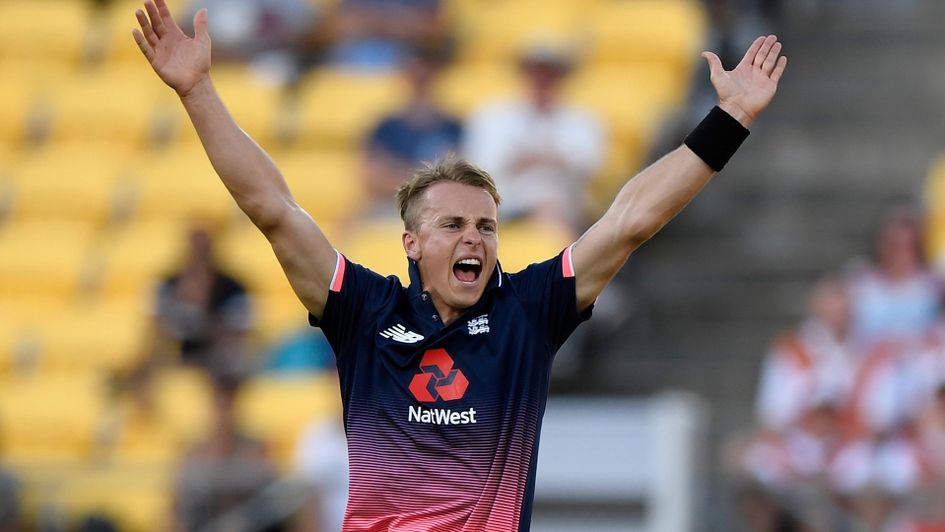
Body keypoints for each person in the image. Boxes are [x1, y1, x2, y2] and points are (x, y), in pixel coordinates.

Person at [131, 1, 786, 528]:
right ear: (411, 243)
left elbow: (629, 220)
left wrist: (729, 117)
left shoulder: (527, 311)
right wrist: (198, 91)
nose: (474, 239)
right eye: (452, 225)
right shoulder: (365, 311)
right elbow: (272, 208)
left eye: (486, 226)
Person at [463, 42, 605, 237]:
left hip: (562, 203)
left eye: (549, 73)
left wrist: (528, 159)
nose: (541, 79)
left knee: (552, 205)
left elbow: (589, 164)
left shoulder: (582, 119)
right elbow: (483, 164)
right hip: (504, 203)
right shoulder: (493, 115)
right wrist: (551, 160)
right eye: (536, 72)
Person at [359, 47, 463, 221]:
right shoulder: (385, 127)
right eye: (416, 75)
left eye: (425, 76)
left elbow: (458, 180)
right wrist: (429, 175)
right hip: (391, 207)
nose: (420, 82)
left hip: (438, 210)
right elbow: (372, 181)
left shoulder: (454, 127)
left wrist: (396, 171)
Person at [147, 225, 253, 372]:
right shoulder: (168, 284)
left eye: (203, 248)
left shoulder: (233, 288)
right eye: (195, 247)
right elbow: (156, 329)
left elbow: (236, 335)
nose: (198, 254)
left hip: (215, 359)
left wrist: (203, 307)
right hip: (175, 354)